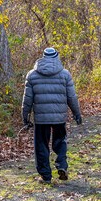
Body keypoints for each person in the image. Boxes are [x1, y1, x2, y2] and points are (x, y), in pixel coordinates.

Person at [22, 47, 82, 183]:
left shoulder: (32, 75)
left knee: (41, 145)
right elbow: (72, 97)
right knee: (60, 141)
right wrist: (77, 114)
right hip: (59, 118)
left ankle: (46, 176)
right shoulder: (65, 74)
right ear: (57, 57)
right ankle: (61, 164)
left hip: (41, 118)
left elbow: (27, 100)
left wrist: (25, 117)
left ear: (42, 57)